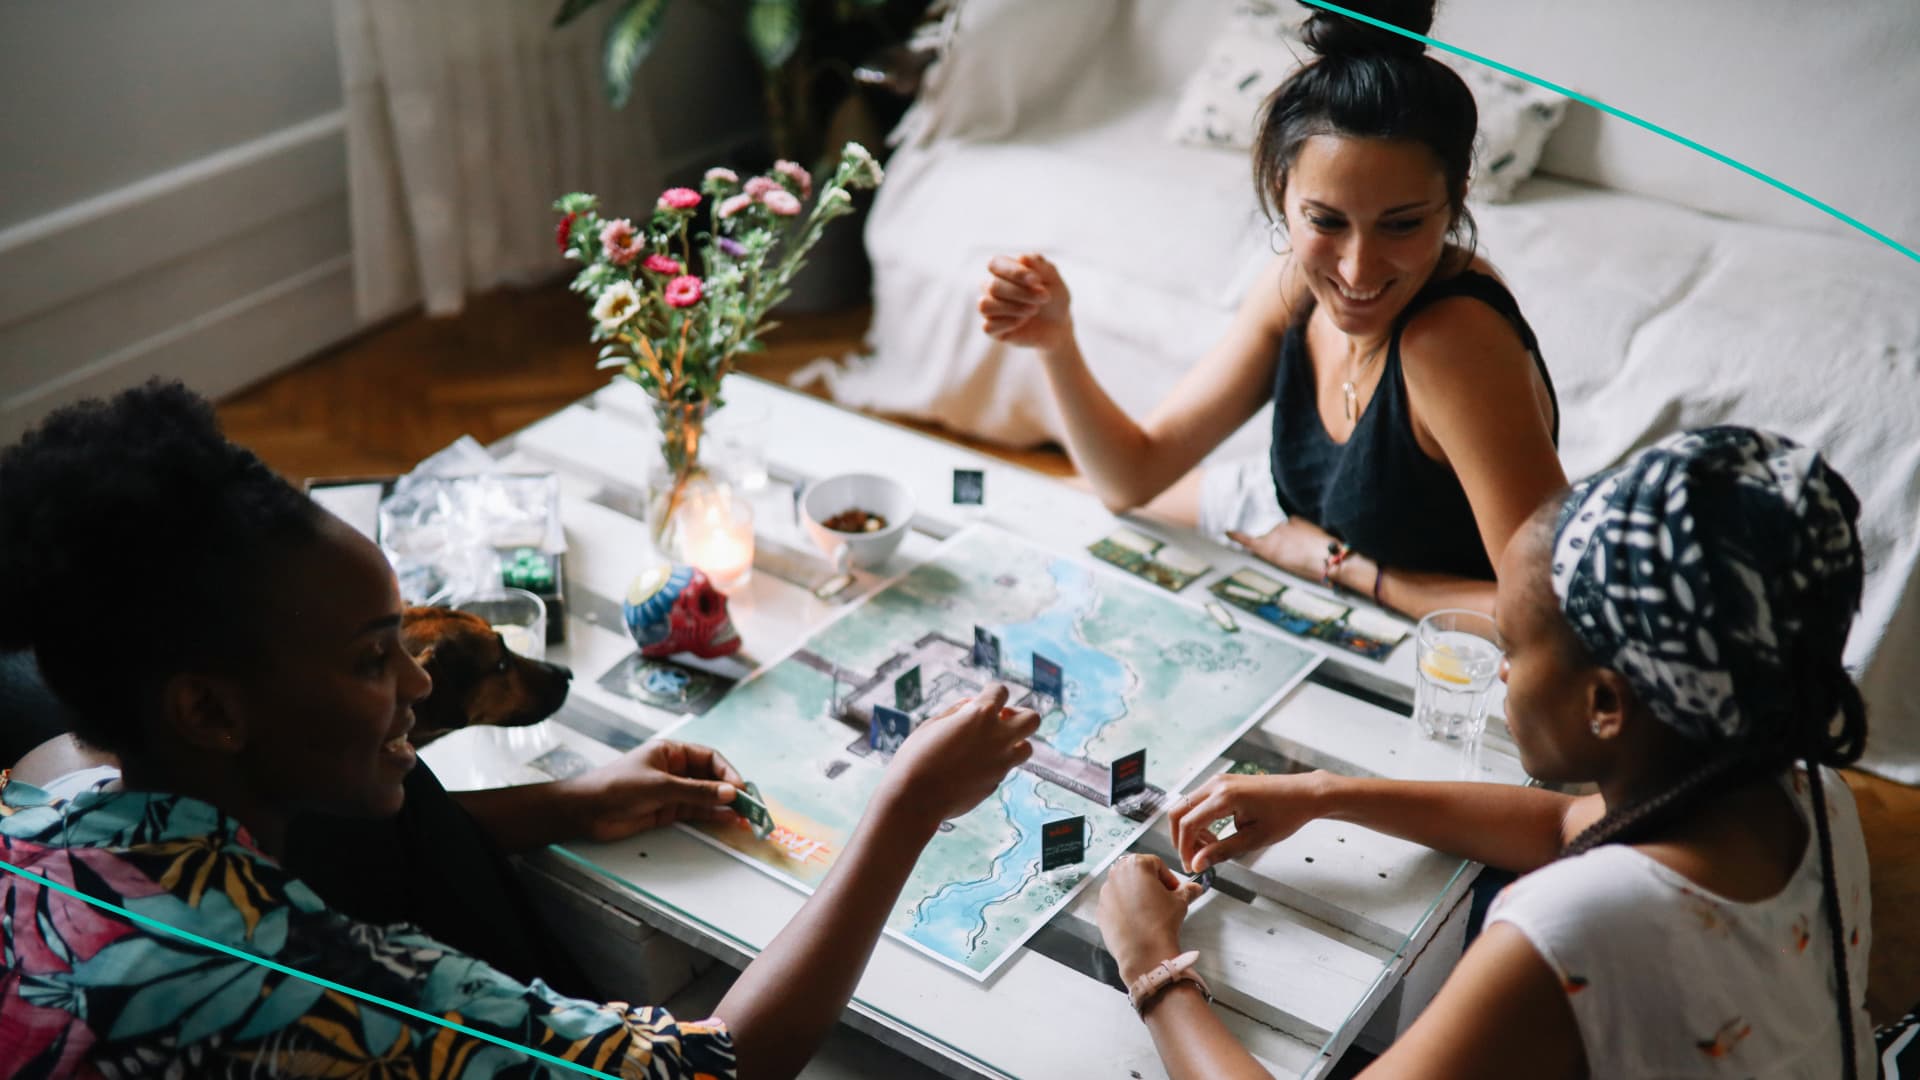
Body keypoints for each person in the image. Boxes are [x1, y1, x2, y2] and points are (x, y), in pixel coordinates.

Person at [0, 380, 1041, 1079]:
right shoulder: (333, 991)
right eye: (372, 659)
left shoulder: (41, 807)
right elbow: (714, 1063)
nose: (417, 680)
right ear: (208, 710)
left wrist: (564, 802)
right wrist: (905, 805)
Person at [1096, 426, 1874, 1077]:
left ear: (1604, 703)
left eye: (1516, 646)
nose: (1502, 669)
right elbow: (1566, 822)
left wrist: (1152, 966)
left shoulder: (1576, 930)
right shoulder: (1796, 787)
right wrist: (1327, 793)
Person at [978, 0, 1564, 618]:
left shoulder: (1453, 341)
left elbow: (1550, 612)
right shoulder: (1293, 287)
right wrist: (1056, 344)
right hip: (1281, 515)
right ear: (1283, 189)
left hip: (1427, 619)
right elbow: (1130, 477)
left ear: (1457, 197)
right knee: (1051, 511)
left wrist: (1343, 568)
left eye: (1403, 224)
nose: (1357, 270)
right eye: (1326, 221)